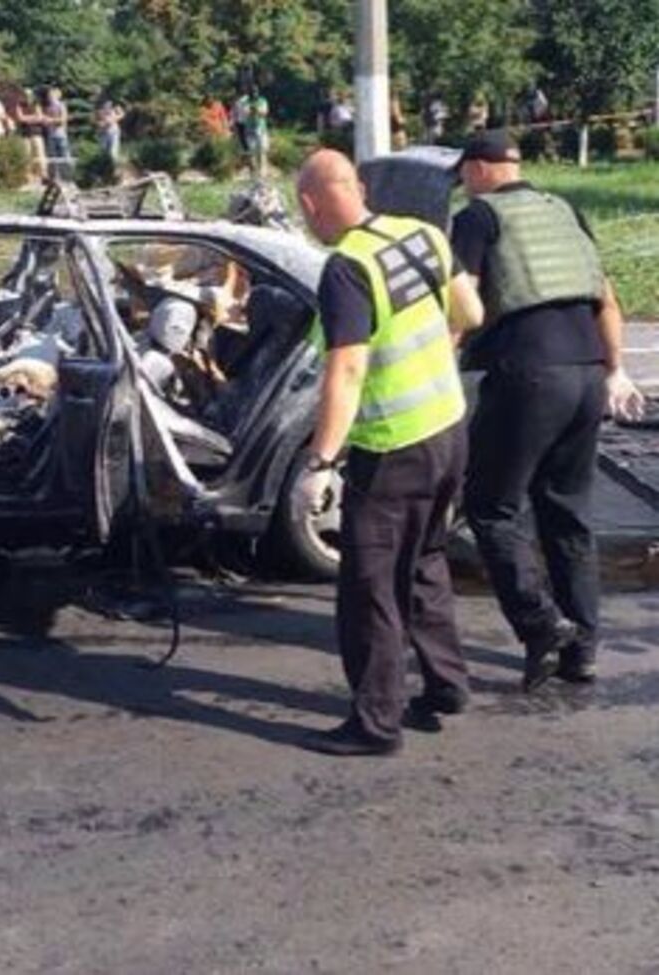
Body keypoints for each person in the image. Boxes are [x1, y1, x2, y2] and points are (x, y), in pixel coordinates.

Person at [293, 149, 485, 756]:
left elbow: (347, 370)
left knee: (371, 586)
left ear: (309, 204)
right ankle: (448, 685)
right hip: (448, 430)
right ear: (360, 188)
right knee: (427, 560)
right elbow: (471, 311)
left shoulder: (346, 268)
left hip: (393, 449)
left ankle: (376, 722)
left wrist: (320, 464)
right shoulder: (422, 234)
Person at [450, 130, 647, 691]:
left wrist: (442, 361)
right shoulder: (565, 210)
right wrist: (617, 368)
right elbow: (605, 295)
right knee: (566, 512)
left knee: (491, 506)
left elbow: (462, 303)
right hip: (586, 373)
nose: (463, 186)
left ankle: (541, 624)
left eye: (464, 174)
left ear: (481, 168)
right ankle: (582, 648)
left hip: (528, 375)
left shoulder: (479, 218)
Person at [14, 91, 47, 182]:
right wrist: (33, 118)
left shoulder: (36, 104)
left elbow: (40, 117)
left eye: (29, 95)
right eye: (26, 95)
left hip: (37, 133)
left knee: (40, 154)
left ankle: (43, 175)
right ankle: (28, 176)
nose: (28, 97)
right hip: (25, 134)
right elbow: (20, 118)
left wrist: (27, 118)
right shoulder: (20, 105)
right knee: (26, 155)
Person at [241, 85, 270, 177]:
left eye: (256, 91)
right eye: (252, 92)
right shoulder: (245, 101)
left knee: (262, 151)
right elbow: (245, 112)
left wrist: (255, 110)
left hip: (261, 130)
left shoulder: (262, 100)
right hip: (250, 130)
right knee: (252, 152)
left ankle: (263, 172)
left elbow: (264, 112)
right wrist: (252, 110)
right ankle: (253, 172)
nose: (254, 93)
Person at [43, 86, 72, 180]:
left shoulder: (61, 105)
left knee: (64, 155)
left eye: (51, 94)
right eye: (49, 95)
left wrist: (51, 120)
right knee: (53, 157)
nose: (49, 96)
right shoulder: (48, 107)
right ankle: (56, 177)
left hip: (61, 135)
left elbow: (63, 119)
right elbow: (45, 120)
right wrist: (46, 122)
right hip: (51, 135)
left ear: (57, 96)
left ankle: (68, 176)